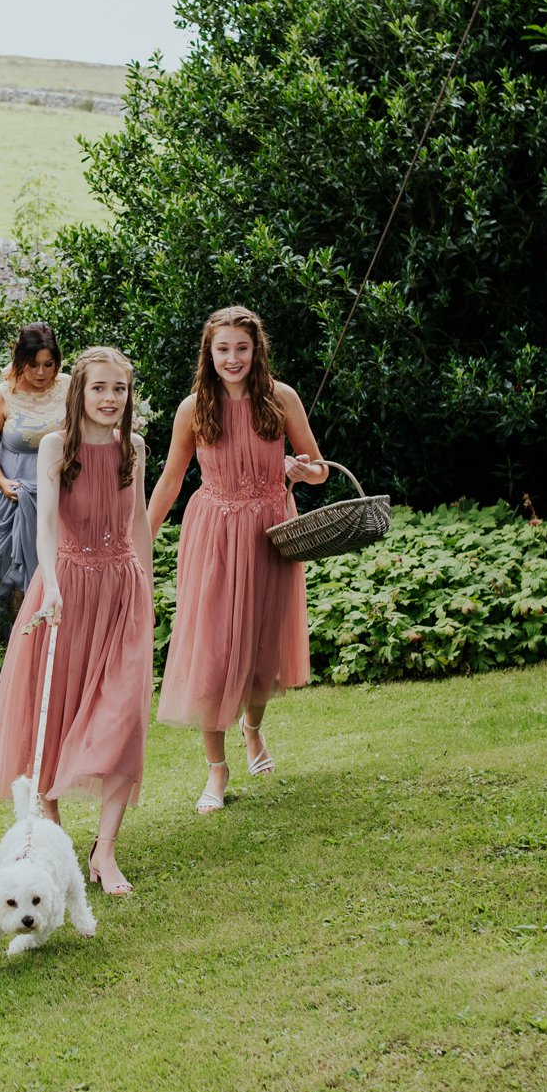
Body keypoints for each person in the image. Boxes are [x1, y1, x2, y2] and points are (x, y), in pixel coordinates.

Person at [0, 347, 152, 894]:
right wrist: (50, 584)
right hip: (66, 590)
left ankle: (106, 850)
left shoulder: (134, 447)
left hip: (122, 590)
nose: (110, 398)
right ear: (80, 392)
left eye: (119, 389)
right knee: (51, 720)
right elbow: (46, 525)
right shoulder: (56, 445)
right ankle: (55, 836)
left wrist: (147, 588)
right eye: (99, 387)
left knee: (123, 719)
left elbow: (139, 520)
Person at [146, 306, 328, 814]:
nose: (232, 358)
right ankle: (216, 768)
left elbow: (320, 469)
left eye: (241, 348)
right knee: (212, 653)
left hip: (271, 532)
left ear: (256, 350)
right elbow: (171, 480)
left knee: (262, 648)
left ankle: (252, 728)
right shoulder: (194, 408)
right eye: (222, 349)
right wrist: (142, 537)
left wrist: (303, 471)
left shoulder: (281, 398)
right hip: (215, 534)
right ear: (208, 352)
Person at [0, 323, 68, 613]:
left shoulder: (69, 387)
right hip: (11, 494)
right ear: (20, 361)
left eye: (48, 364)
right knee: (0, 572)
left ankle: (41, 631)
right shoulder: (3, 395)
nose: (41, 373)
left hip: (57, 493)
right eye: (32, 365)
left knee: (50, 569)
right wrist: (2, 482)